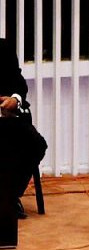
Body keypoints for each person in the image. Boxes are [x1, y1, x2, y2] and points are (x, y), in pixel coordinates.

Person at [0, 38, 48, 219]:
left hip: (6, 117)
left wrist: (15, 99)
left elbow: (19, 84)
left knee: (36, 144)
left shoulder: (4, 48)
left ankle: (10, 195)